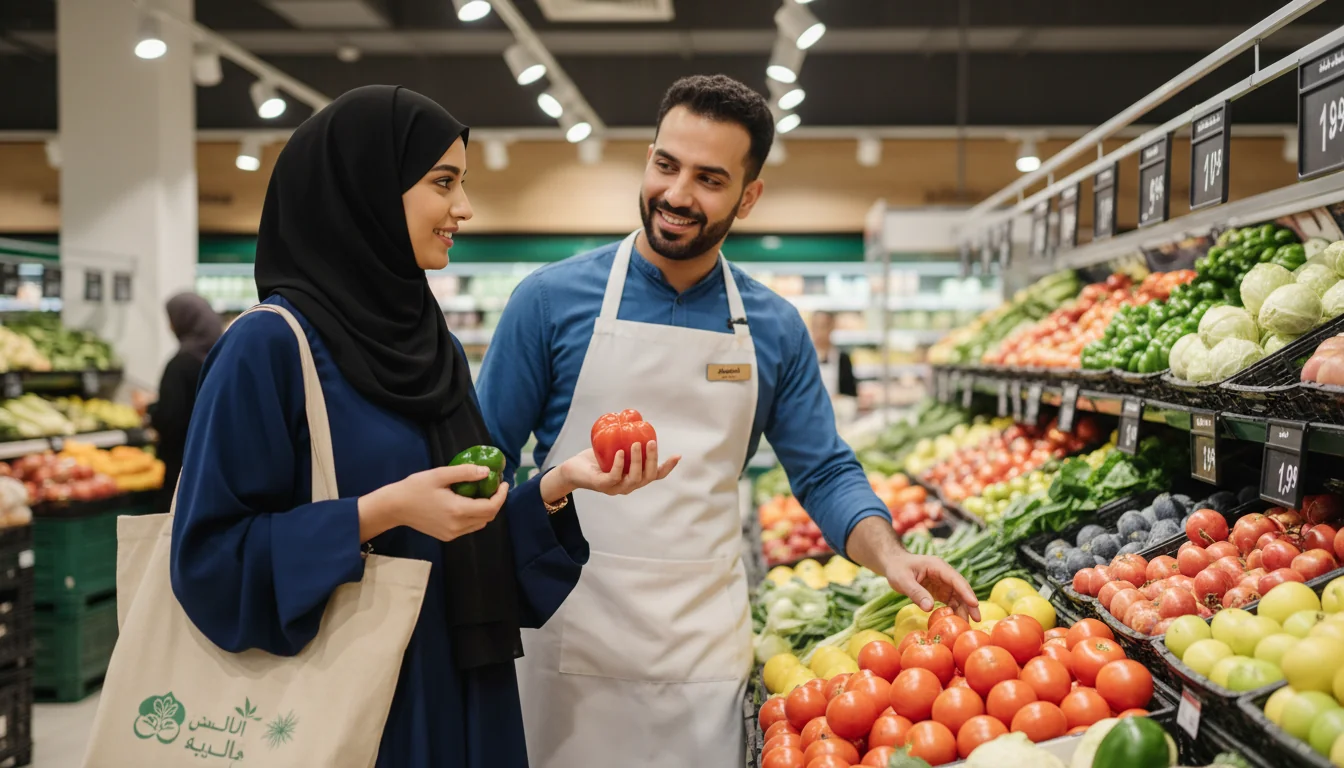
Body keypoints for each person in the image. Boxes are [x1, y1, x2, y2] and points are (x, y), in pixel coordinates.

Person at [477, 74, 979, 767]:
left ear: (748, 196)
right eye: (666, 165)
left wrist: (890, 555)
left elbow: (823, 470)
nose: (678, 194)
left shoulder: (773, 327)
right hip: (568, 632)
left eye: (709, 179)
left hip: (702, 650)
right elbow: (484, 462)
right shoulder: (547, 303)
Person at [167, 85, 676, 768]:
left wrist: (558, 485)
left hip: (459, 681)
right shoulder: (267, 348)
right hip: (352, 703)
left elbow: (463, 527)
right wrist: (379, 512)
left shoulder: (434, 346)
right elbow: (209, 560)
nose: (464, 207)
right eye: (443, 182)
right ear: (367, 189)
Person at [143, 291, 223, 515]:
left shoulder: (180, 365)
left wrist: (150, 410)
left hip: (183, 470)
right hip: (216, 469)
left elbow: (170, 419)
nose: (169, 327)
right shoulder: (222, 356)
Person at [810, 310, 858, 399]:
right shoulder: (805, 359)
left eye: (823, 327)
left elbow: (851, 393)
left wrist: (841, 398)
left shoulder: (843, 359)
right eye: (815, 326)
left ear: (832, 327)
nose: (819, 332)